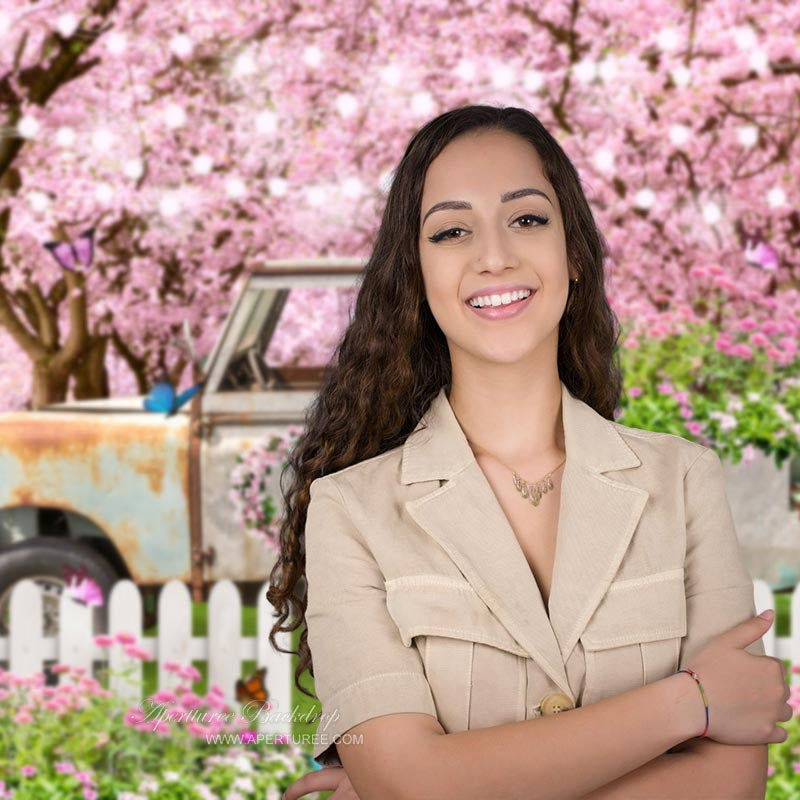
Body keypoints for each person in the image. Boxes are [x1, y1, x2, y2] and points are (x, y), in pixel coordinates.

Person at [268, 105, 791, 800]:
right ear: (416, 275)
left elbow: (730, 786)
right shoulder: (350, 511)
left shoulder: (684, 482)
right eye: (452, 231)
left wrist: (440, 783)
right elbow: (408, 785)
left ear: (572, 251)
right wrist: (690, 702)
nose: (494, 256)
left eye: (527, 219)